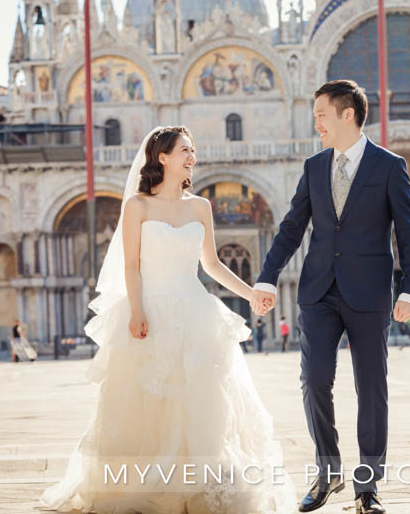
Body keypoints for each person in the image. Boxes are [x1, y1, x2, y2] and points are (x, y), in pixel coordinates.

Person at [40, 126, 296, 513]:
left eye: (193, 150)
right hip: (151, 310)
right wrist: (138, 309)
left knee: (202, 398)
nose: (192, 156)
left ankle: (197, 485)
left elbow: (211, 264)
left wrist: (252, 292)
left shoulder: (201, 207)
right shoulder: (137, 206)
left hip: (194, 310)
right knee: (148, 401)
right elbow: (131, 265)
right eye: (184, 150)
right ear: (162, 157)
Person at [251, 81, 410, 514]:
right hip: (318, 291)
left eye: (321, 115)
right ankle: (328, 471)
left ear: (348, 114)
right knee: (314, 380)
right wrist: (268, 278)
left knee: (371, 386)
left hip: (369, 292)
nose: (317, 124)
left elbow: (408, 231)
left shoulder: (389, 166)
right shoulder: (313, 167)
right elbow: (292, 226)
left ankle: (367, 487)